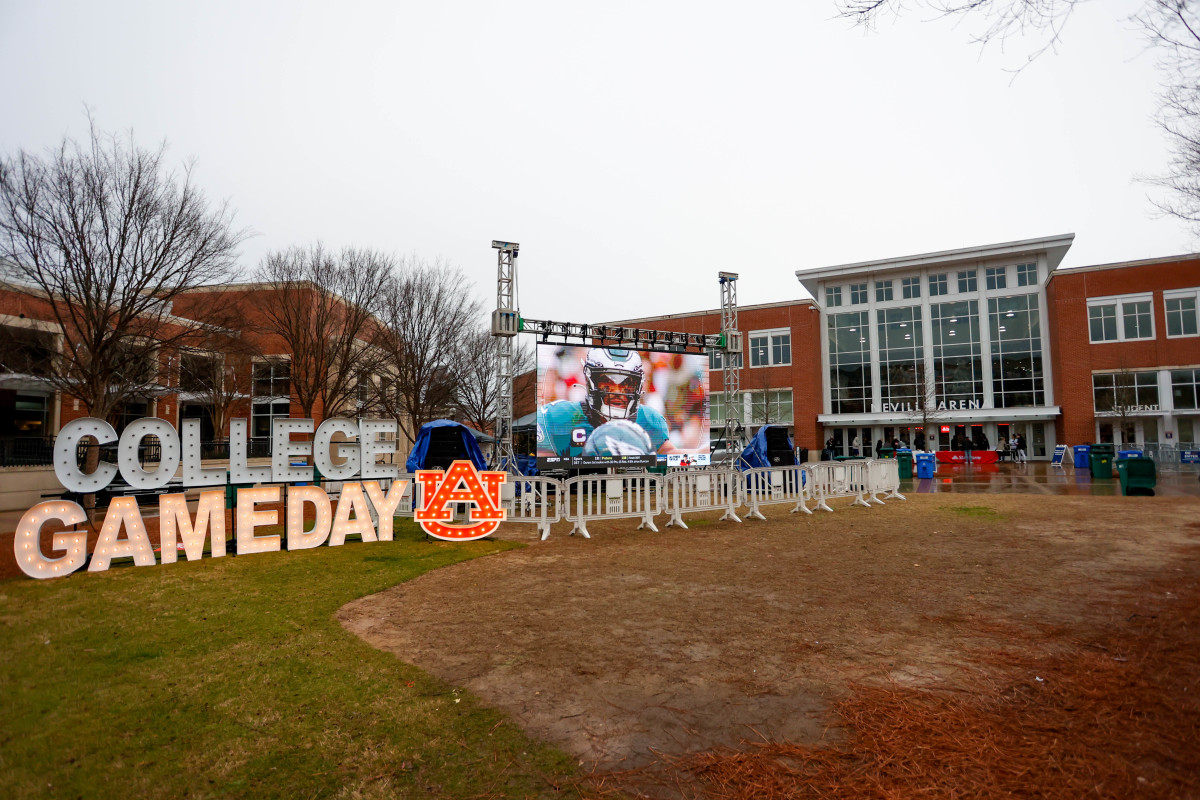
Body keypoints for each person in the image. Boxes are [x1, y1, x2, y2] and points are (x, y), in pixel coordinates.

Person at [536, 347, 677, 459]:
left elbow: (670, 455)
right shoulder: (559, 416)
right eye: (608, 383)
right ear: (591, 381)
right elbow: (538, 469)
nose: (617, 392)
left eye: (626, 384)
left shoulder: (648, 419)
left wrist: (699, 454)